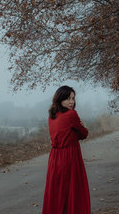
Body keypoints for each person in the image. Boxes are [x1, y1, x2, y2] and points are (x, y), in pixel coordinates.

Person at [42, 86, 91, 214]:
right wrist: (81, 127)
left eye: (73, 98)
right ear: (60, 99)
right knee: (73, 190)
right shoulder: (71, 114)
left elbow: (63, 134)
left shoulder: (51, 116)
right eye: (68, 98)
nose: (71, 102)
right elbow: (84, 134)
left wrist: (76, 132)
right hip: (69, 156)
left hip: (54, 158)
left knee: (57, 191)